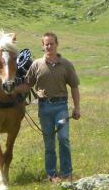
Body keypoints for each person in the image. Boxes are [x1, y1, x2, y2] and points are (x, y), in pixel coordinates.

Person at [15, 32, 81, 182]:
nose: (49, 46)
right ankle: (51, 175)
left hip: (61, 109)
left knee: (63, 139)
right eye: (46, 44)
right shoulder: (36, 65)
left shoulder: (66, 64)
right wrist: (12, 90)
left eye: (52, 43)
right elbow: (27, 85)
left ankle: (66, 173)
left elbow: (74, 87)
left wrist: (77, 108)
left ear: (57, 44)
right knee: (49, 143)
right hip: (44, 109)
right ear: (43, 46)